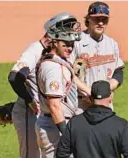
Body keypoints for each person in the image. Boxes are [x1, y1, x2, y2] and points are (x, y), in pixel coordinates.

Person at [35, 12, 90, 158]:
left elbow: (71, 77)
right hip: (54, 126)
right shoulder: (52, 68)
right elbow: (54, 105)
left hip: (56, 123)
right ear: (54, 42)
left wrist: (89, 91)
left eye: (72, 45)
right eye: (65, 44)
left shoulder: (59, 60)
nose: (70, 48)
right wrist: (66, 134)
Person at [8, 14, 54, 158]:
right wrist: (29, 100)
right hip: (29, 114)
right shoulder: (34, 51)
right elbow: (14, 77)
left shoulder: (50, 53)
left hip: (43, 115)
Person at [56, 80, 128, 158]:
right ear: (111, 97)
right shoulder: (121, 125)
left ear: (90, 98)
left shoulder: (74, 123)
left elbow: (61, 154)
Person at [69, 1, 125, 110]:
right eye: (96, 19)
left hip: (105, 104)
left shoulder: (112, 44)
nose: (100, 23)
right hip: (81, 105)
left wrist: (106, 90)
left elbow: (118, 73)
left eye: (104, 20)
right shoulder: (76, 42)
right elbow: (68, 73)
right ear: (88, 19)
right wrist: (89, 91)